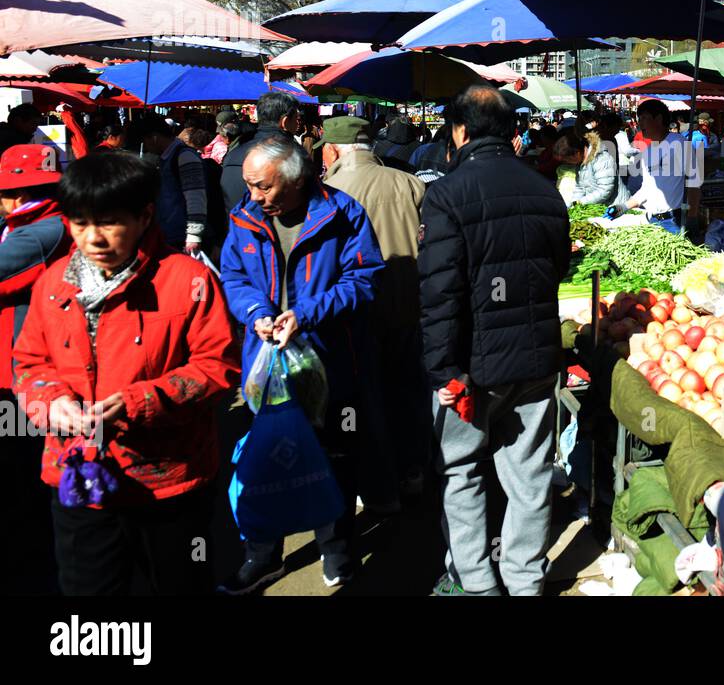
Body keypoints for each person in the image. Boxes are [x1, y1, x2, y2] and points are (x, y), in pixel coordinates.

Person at [12, 152, 239, 595]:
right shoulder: (53, 282)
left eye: (109, 222)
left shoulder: (188, 280)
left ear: (144, 216)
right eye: (79, 223)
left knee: (182, 583)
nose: (92, 238)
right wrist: (50, 402)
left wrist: (139, 402)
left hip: (171, 482)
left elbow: (219, 367)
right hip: (78, 476)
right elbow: (29, 362)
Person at [419, 85, 570, 597]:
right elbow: (558, 270)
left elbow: (439, 293)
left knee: (461, 471)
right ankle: (525, 580)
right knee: (529, 475)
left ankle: (478, 583)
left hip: (470, 367)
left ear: (460, 132)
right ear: (510, 132)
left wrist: (443, 371)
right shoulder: (545, 190)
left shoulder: (445, 194)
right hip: (534, 357)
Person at [219, 135, 383, 593]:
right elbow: (232, 276)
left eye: (264, 188)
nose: (254, 196)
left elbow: (365, 279)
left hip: (332, 364)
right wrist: (255, 313)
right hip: (266, 367)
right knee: (265, 460)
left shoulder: (343, 213)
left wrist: (307, 315)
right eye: (250, 186)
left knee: (336, 458)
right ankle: (262, 556)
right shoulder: (244, 218)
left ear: (297, 180)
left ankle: (337, 550)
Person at [320, 116, 428, 509]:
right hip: (409, 305)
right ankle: (413, 468)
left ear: (333, 150)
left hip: (356, 314)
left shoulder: (329, 191)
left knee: (367, 398)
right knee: (410, 390)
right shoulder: (410, 182)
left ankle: (377, 482)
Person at [0, 145, 70, 594]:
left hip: (24, 377)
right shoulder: (32, 223)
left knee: (23, 479)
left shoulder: (44, 230)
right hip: (22, 370)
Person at [129, 114, 208, 256]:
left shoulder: (184, 157)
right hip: (171, 234)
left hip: (183, 238)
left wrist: (194, 235)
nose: (145, 147)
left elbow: (195, 196)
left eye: (145, 141)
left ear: (154, 138)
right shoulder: (165, 158)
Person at [624, 99, 702, 235]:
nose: (640, 123)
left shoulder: (679, 143)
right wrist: (623, 207)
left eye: (644, 118)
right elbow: (646, 190)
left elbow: (694, 183)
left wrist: (692, 217)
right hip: (652, 221)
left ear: (659, 119)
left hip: (674, 222)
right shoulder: (647, 151)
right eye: (639, 119)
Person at [220, 92, 301, 213]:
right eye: (296, 119)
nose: (298, 123)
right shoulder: (293, 155)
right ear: (284, 121)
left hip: (234, 228)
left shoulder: (233, 153)